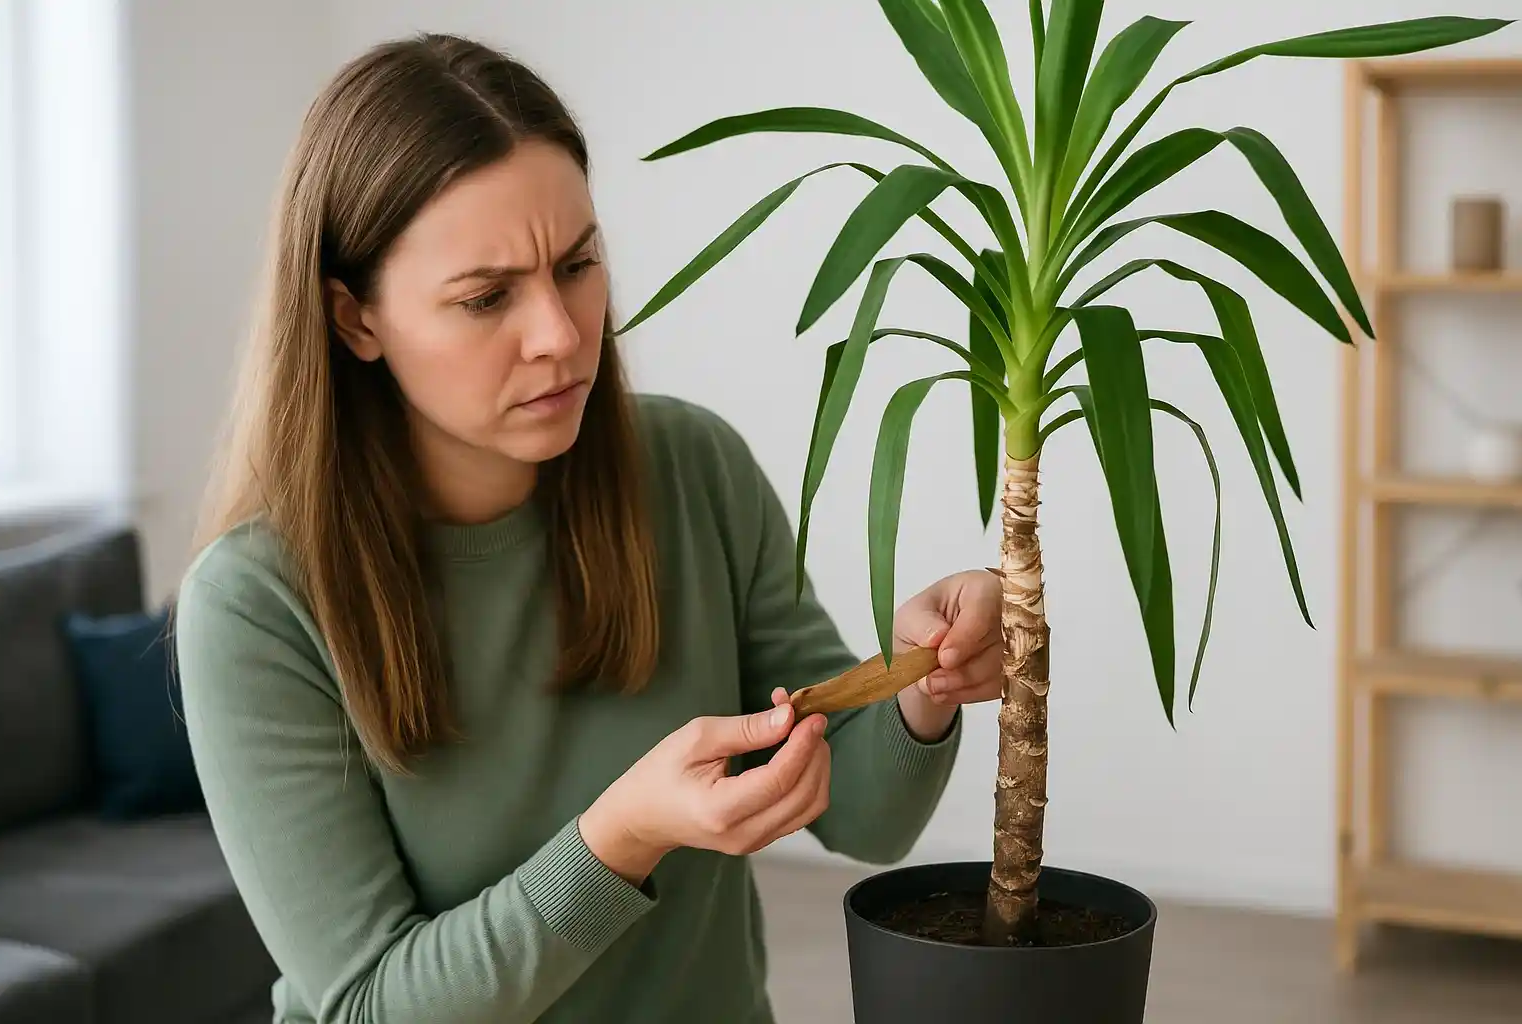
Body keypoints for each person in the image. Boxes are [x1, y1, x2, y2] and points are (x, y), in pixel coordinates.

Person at [175, 31, 1006, 1024]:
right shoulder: (256, 603)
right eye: (486, 298)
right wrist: (623, 835)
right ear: (355, 320)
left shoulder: (692, 468)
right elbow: (369, 1006)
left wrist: (921, 682)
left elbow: (867, 814)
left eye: (577, 265)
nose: (562, 335)